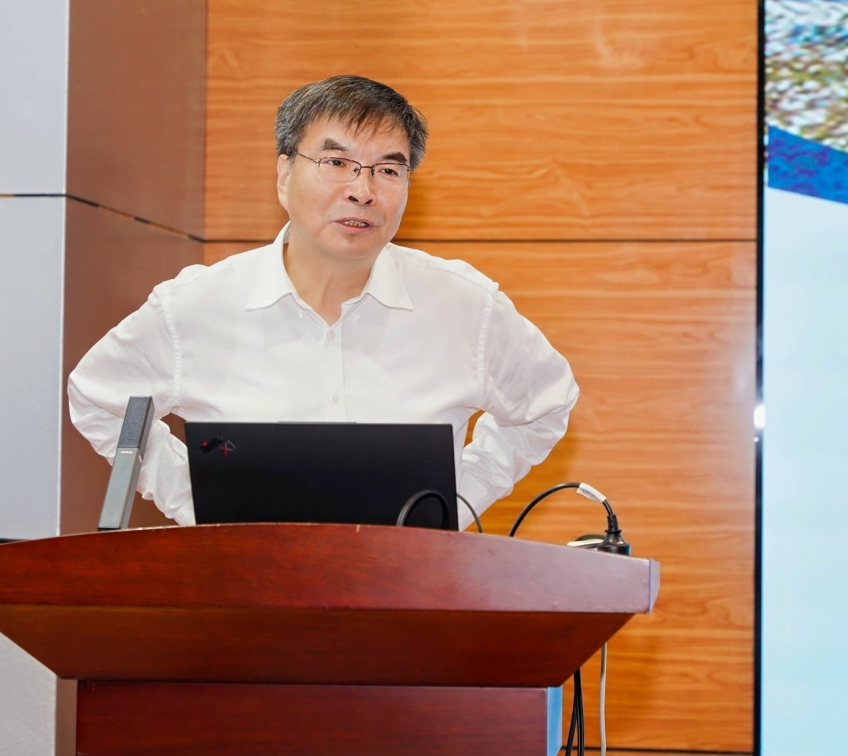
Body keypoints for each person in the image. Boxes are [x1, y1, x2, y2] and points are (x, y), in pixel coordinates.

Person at [68, 75, 578, 528]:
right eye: (336, 163)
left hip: (408, 592)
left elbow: (546, 405)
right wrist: (197, 503)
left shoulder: (464, 307)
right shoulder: (196, 306)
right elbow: (97, 397)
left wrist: (454, 505)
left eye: (388, 170)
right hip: (246, 592)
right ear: (284, 175)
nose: (362, 190)